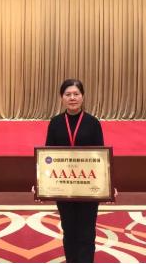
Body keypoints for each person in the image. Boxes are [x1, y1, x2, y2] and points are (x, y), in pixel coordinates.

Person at [45, 78, 104, 263]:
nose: (72, 98)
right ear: (61, 97)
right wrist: (41, 182)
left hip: (88, 188)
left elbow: (101, 157)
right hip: (64, 187)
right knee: (69, 231)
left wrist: (107, 183)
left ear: (82, 96)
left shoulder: (93, 123)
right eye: (68, 94)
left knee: (87, 232)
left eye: (76, 94)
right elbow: (47, 157)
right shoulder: (55, 123)